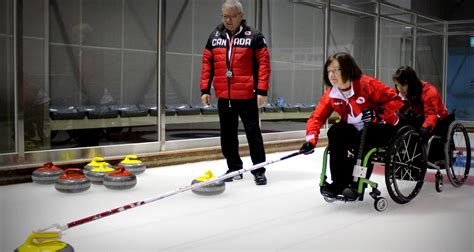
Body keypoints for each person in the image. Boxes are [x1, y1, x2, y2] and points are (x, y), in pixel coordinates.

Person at [299, 52, 403, 200]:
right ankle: (338, 183)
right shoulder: (332, 94)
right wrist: (310, 140)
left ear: (348, 69)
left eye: (336, 70)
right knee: (335, 132)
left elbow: (396, 100)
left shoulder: (366, 84)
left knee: (364, 138)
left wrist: (377, 112)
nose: (331, 74)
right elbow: (317, 117)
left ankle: (356, 184)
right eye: (329, 71)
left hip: (381, 126)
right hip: (356, 128)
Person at [200, 0, 271, 185]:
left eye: (232, 16)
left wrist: (262, 90)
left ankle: (258, 170)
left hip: (247, 95)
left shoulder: (254, 36)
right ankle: (234, 167)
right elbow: (207, 64)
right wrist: (205, 89)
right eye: (225, 16)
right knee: (227, 135)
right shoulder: (215, 36)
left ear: (241, 16)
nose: (228, 20)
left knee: (253, 133)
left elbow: (264, 64)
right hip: (225, 96)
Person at [392, 66, 450, 144]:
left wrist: (425, 129)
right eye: (397, 85)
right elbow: (390, 102)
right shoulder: (399, 89)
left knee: (423, 131)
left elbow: (431, 115)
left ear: (411, 83)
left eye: (402, 85)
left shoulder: (429, 92)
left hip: (438, 118)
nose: (399, 88)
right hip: (419, 114)